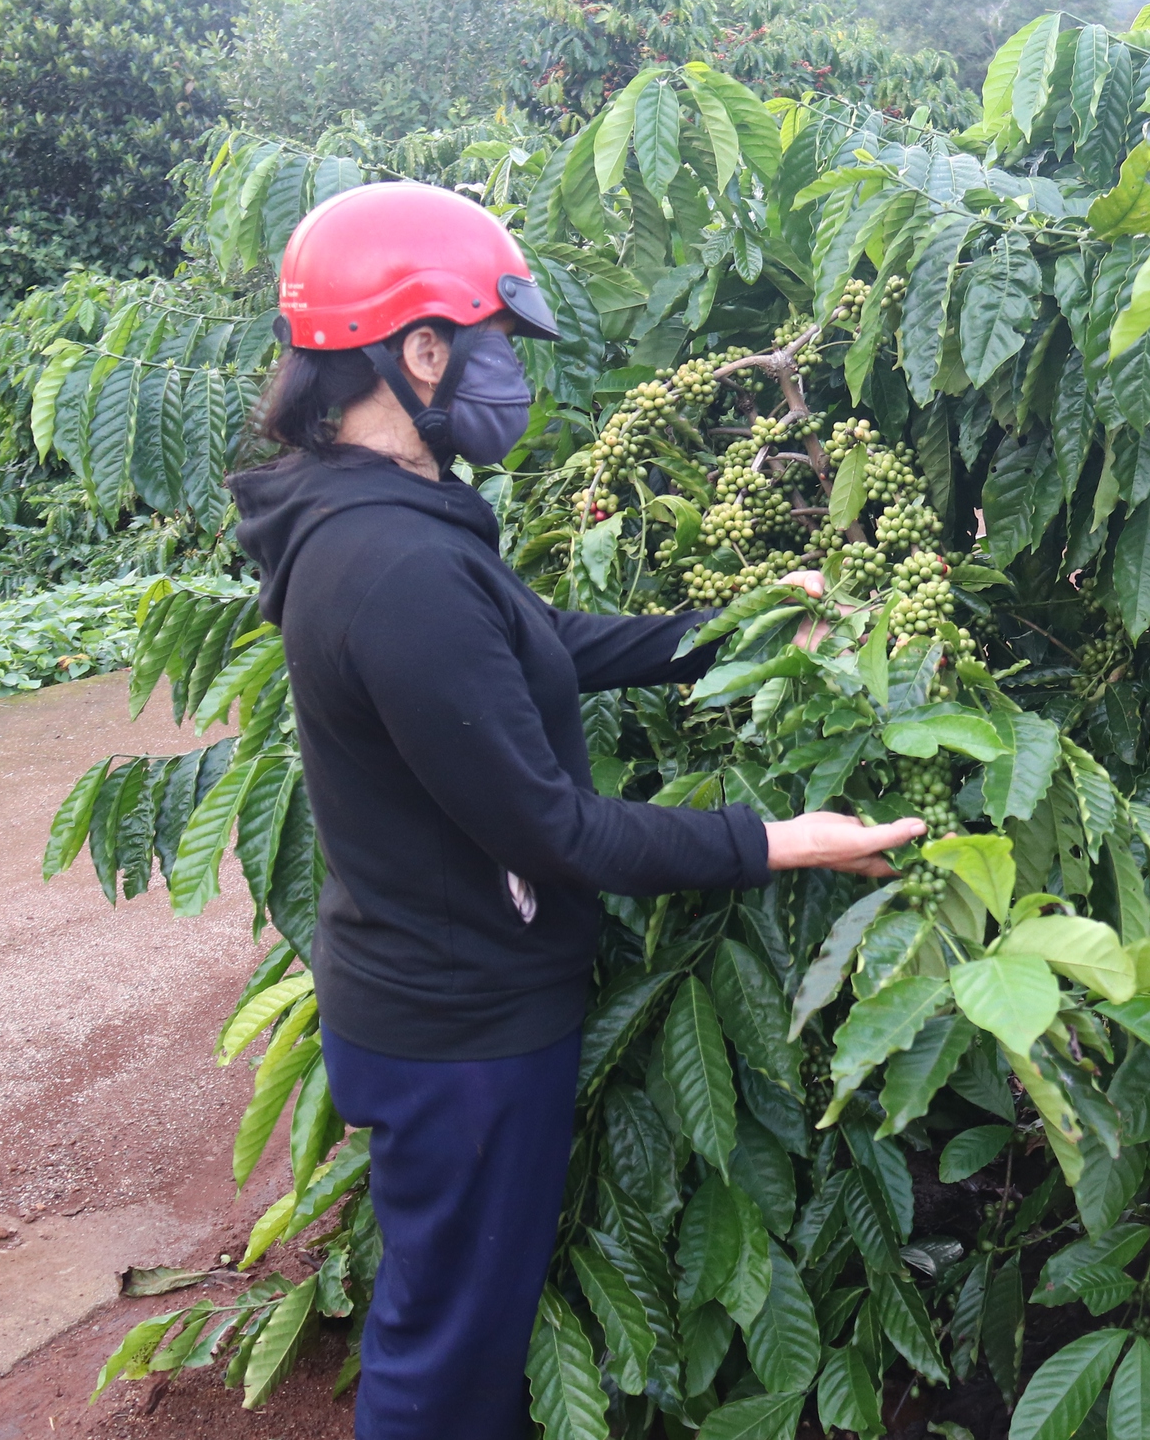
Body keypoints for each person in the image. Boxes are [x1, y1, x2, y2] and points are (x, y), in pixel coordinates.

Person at [227, 181, 924, 1440]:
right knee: (448, 1358)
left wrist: (743, 627)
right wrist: (779, 842)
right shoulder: (394, 567)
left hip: (444, 999)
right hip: (463, 1034)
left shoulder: (382, 513)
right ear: (420, 351)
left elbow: (536, 643)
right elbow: (554, 829)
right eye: (495, 345)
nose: (510, 378)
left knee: (460, 1326)